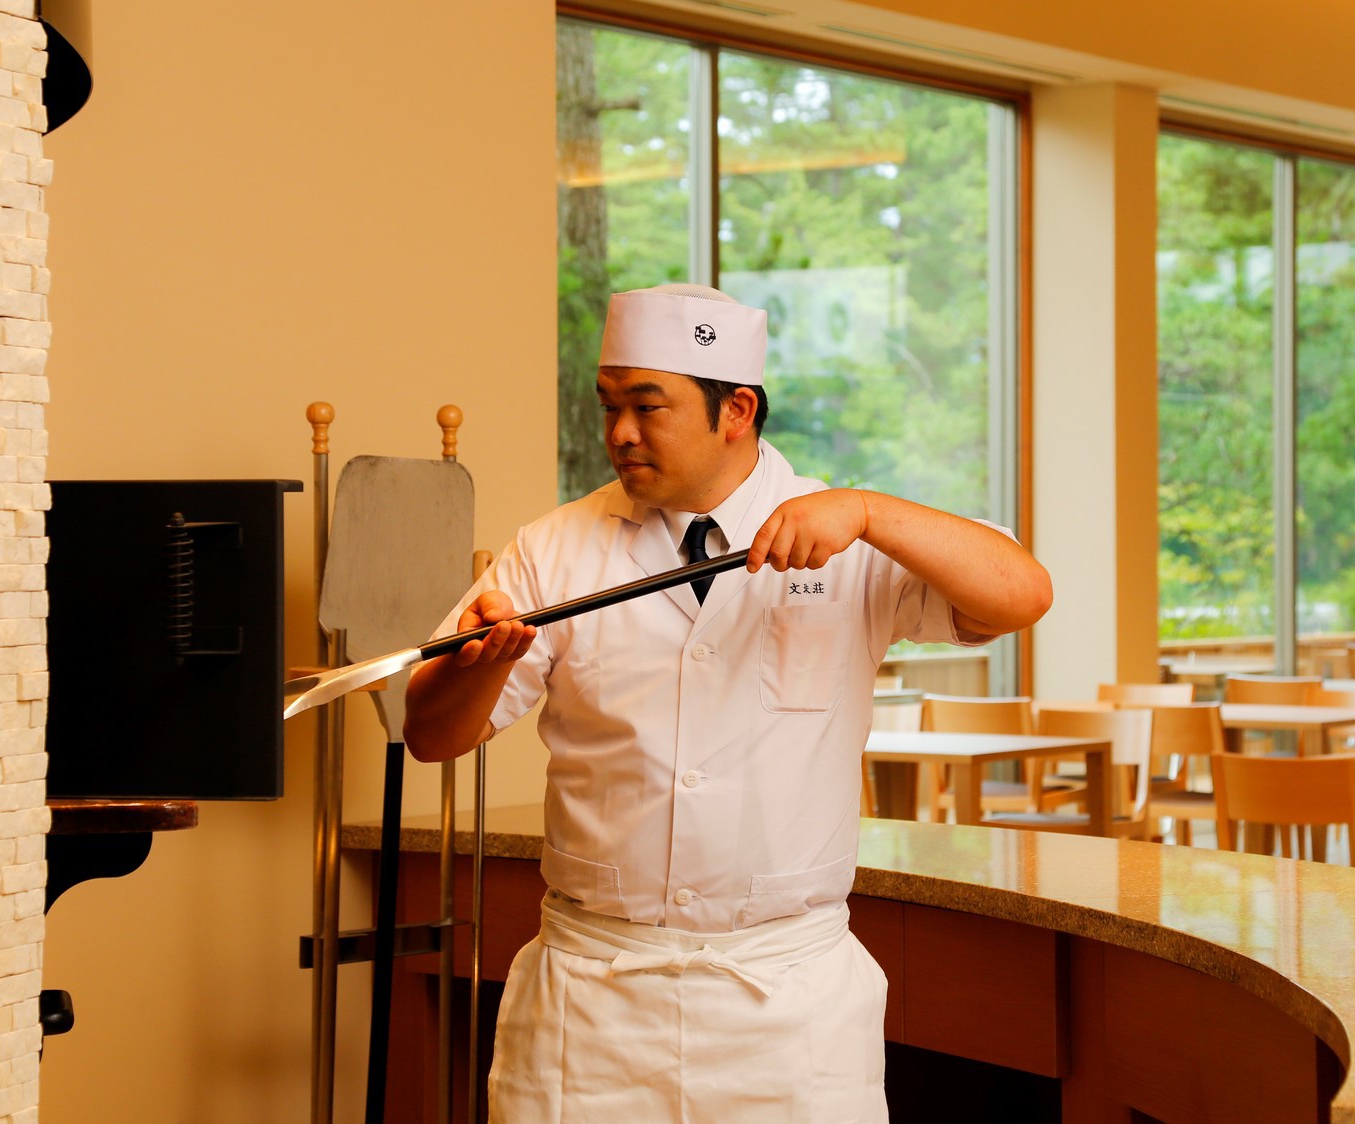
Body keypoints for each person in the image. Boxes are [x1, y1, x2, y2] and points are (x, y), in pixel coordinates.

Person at [404, 283, 1052, 1121]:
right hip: (594, 998)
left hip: (787, 1003)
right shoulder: (554, 548)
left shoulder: (847, 539)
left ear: (736, 410)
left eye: (647, 406)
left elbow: (1021, 594)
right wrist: (480, 664)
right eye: (608, 406)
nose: (619, 434)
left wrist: (867, 510)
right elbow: (430, 733)